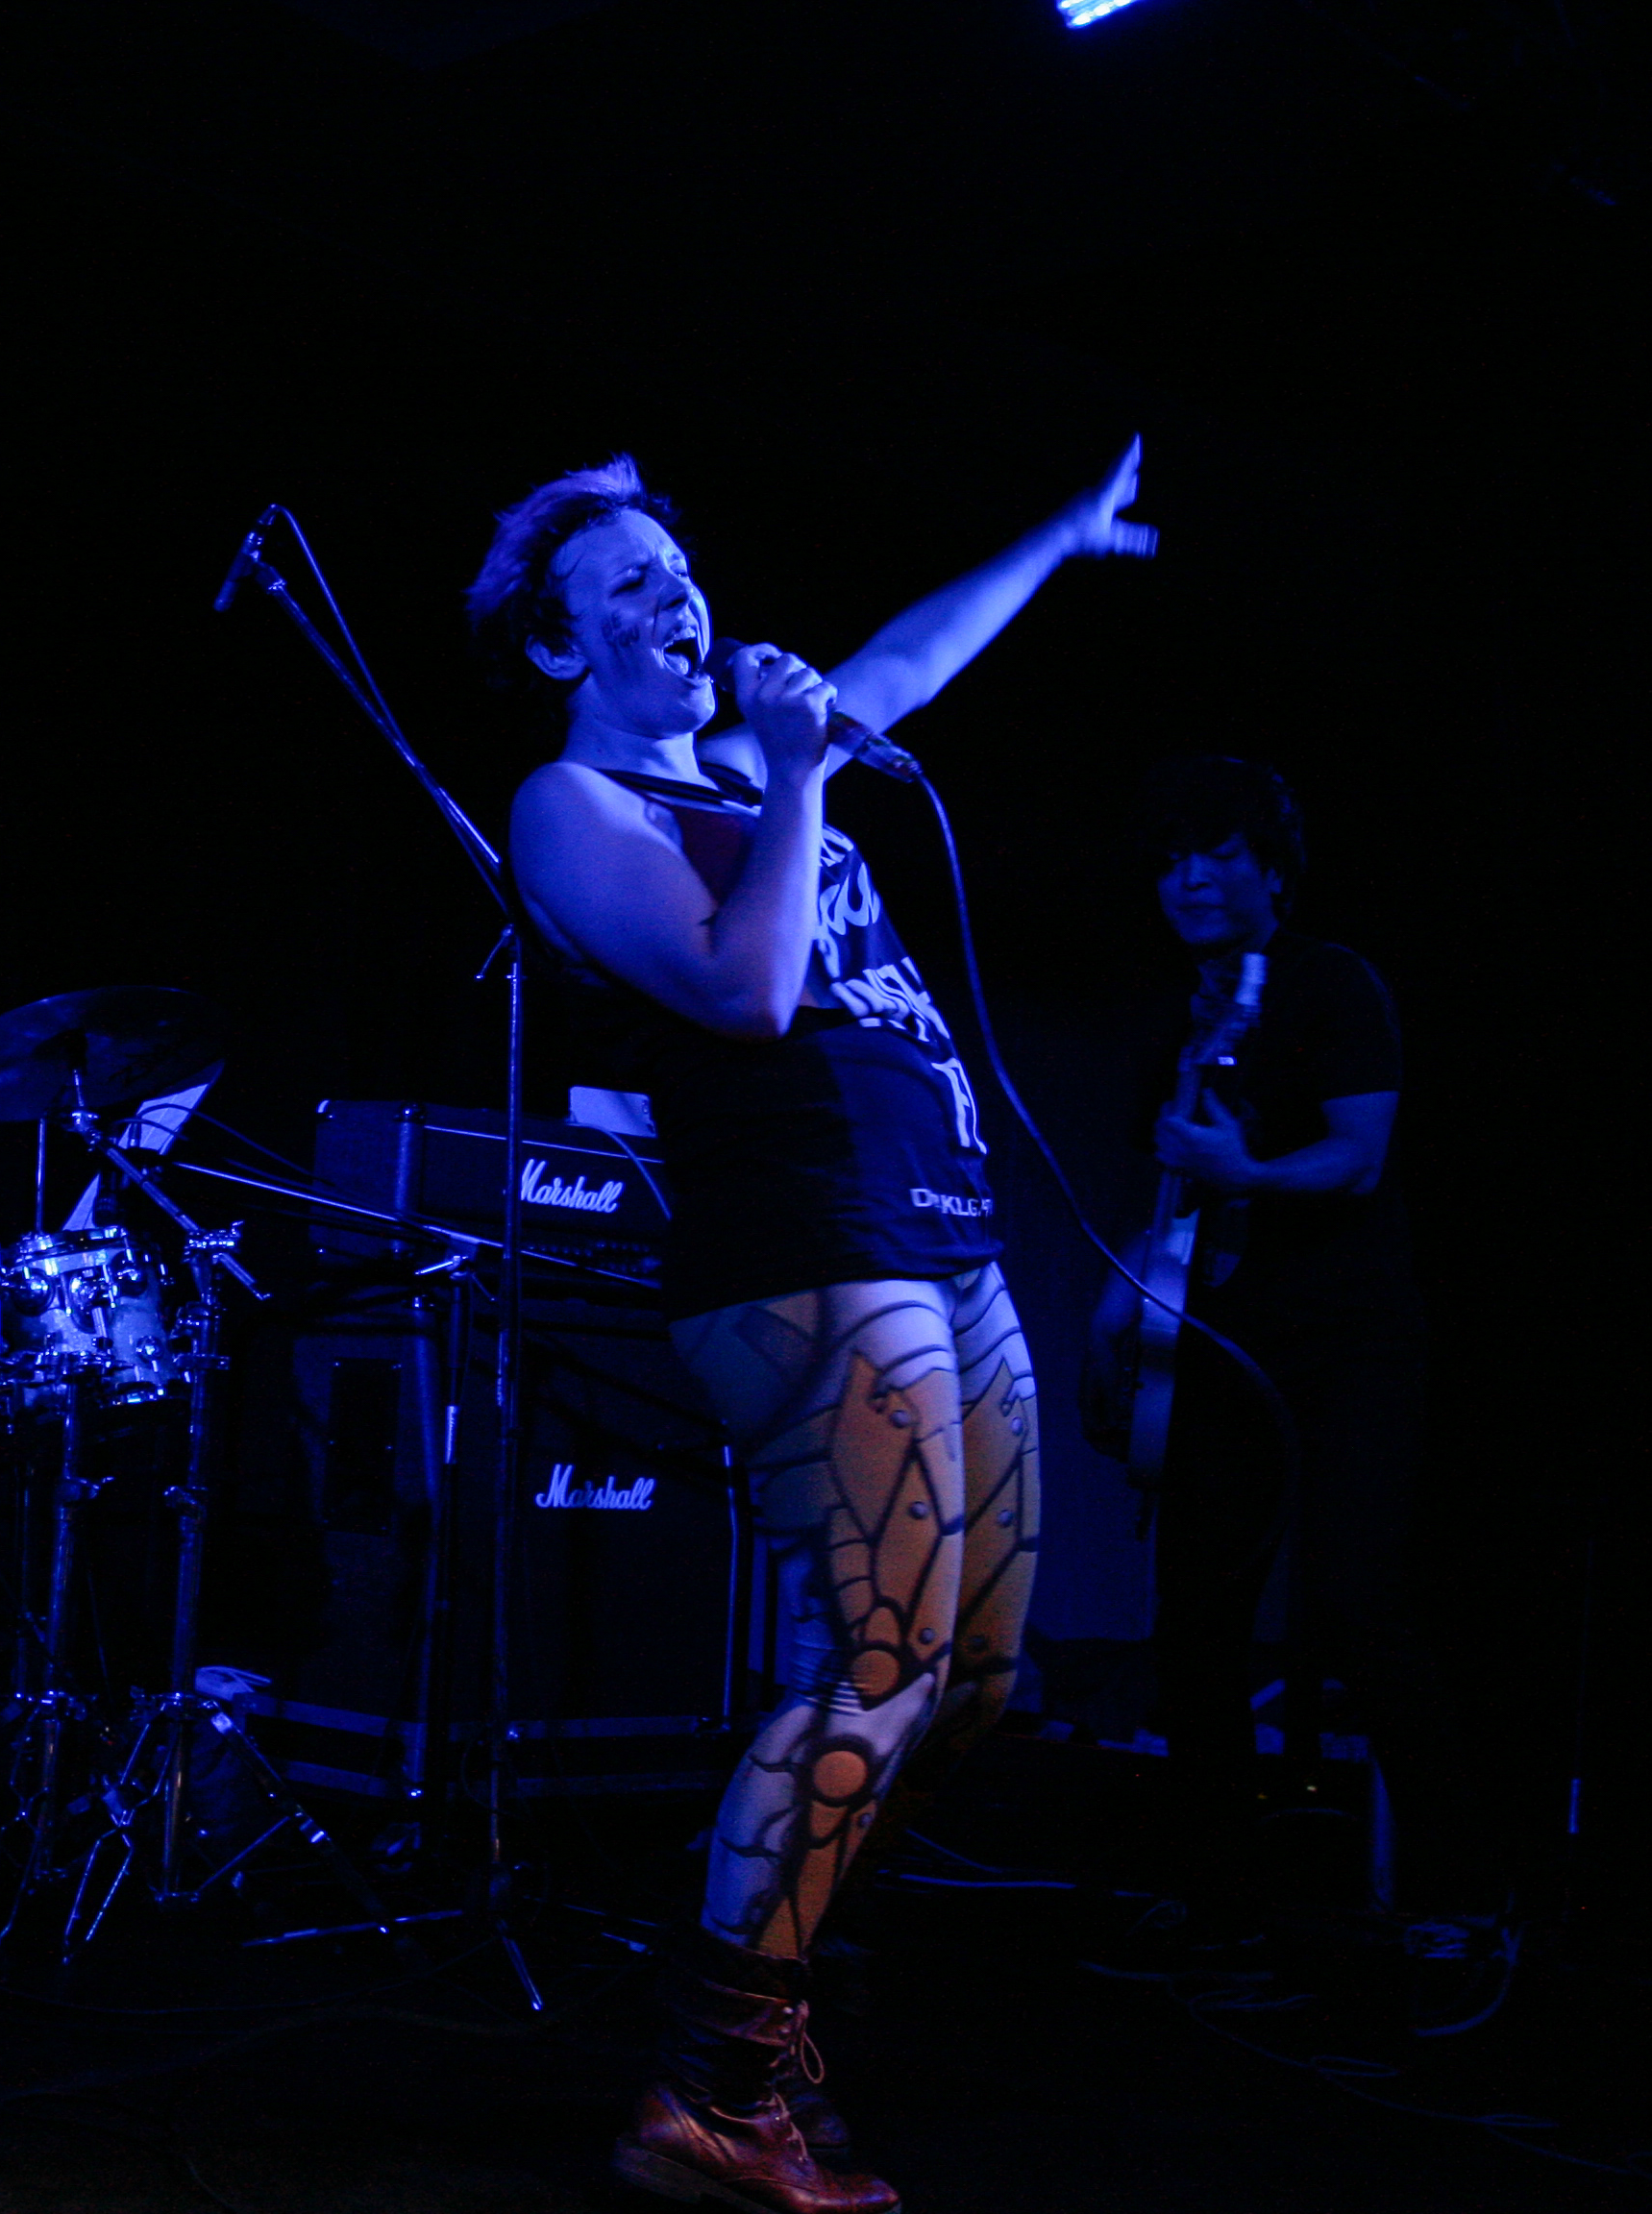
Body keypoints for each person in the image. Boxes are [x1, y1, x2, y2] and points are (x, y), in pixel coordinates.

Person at [482, 446, 1154, 2214]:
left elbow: (904, 663)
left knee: (978, 1679)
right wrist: (793, 773)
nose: (678, 598)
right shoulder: (572, 803)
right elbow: (747, 986)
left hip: (940, 1228)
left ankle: (760, 1989)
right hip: (803, 1239)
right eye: (626, 584)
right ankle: (712, 2082)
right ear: (559, 646)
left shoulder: (747, 761)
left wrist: (1058, 536)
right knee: (874, 1659)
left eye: (678, 569)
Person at [1110, 758, 1476, 1953]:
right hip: (1221, 1342)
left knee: (1357, 1600)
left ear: (1271, 871)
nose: (1190, 879)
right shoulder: (1182, 1011)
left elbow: (1357, 1156)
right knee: (1195, 1621)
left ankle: (1460, 1897)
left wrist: (1250, 1173)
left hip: (1350, 1340)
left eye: (1218, 855)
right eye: (1172, 860)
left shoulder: (1331, 982)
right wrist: (1118, 1321)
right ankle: (1218, 1900)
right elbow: (1172, 1198)